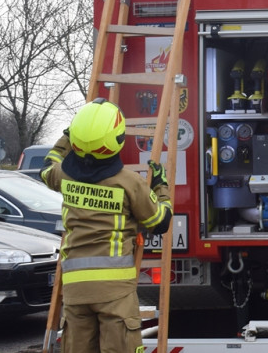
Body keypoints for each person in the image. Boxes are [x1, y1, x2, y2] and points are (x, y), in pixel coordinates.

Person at [41, 98, 173, 353]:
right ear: (117, 140)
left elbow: (47, 166)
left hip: (75, 290)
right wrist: (161, 186)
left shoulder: (64, 177)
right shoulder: (129, 182)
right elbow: (160, 222)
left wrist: (68, 136)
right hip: (115, 291)